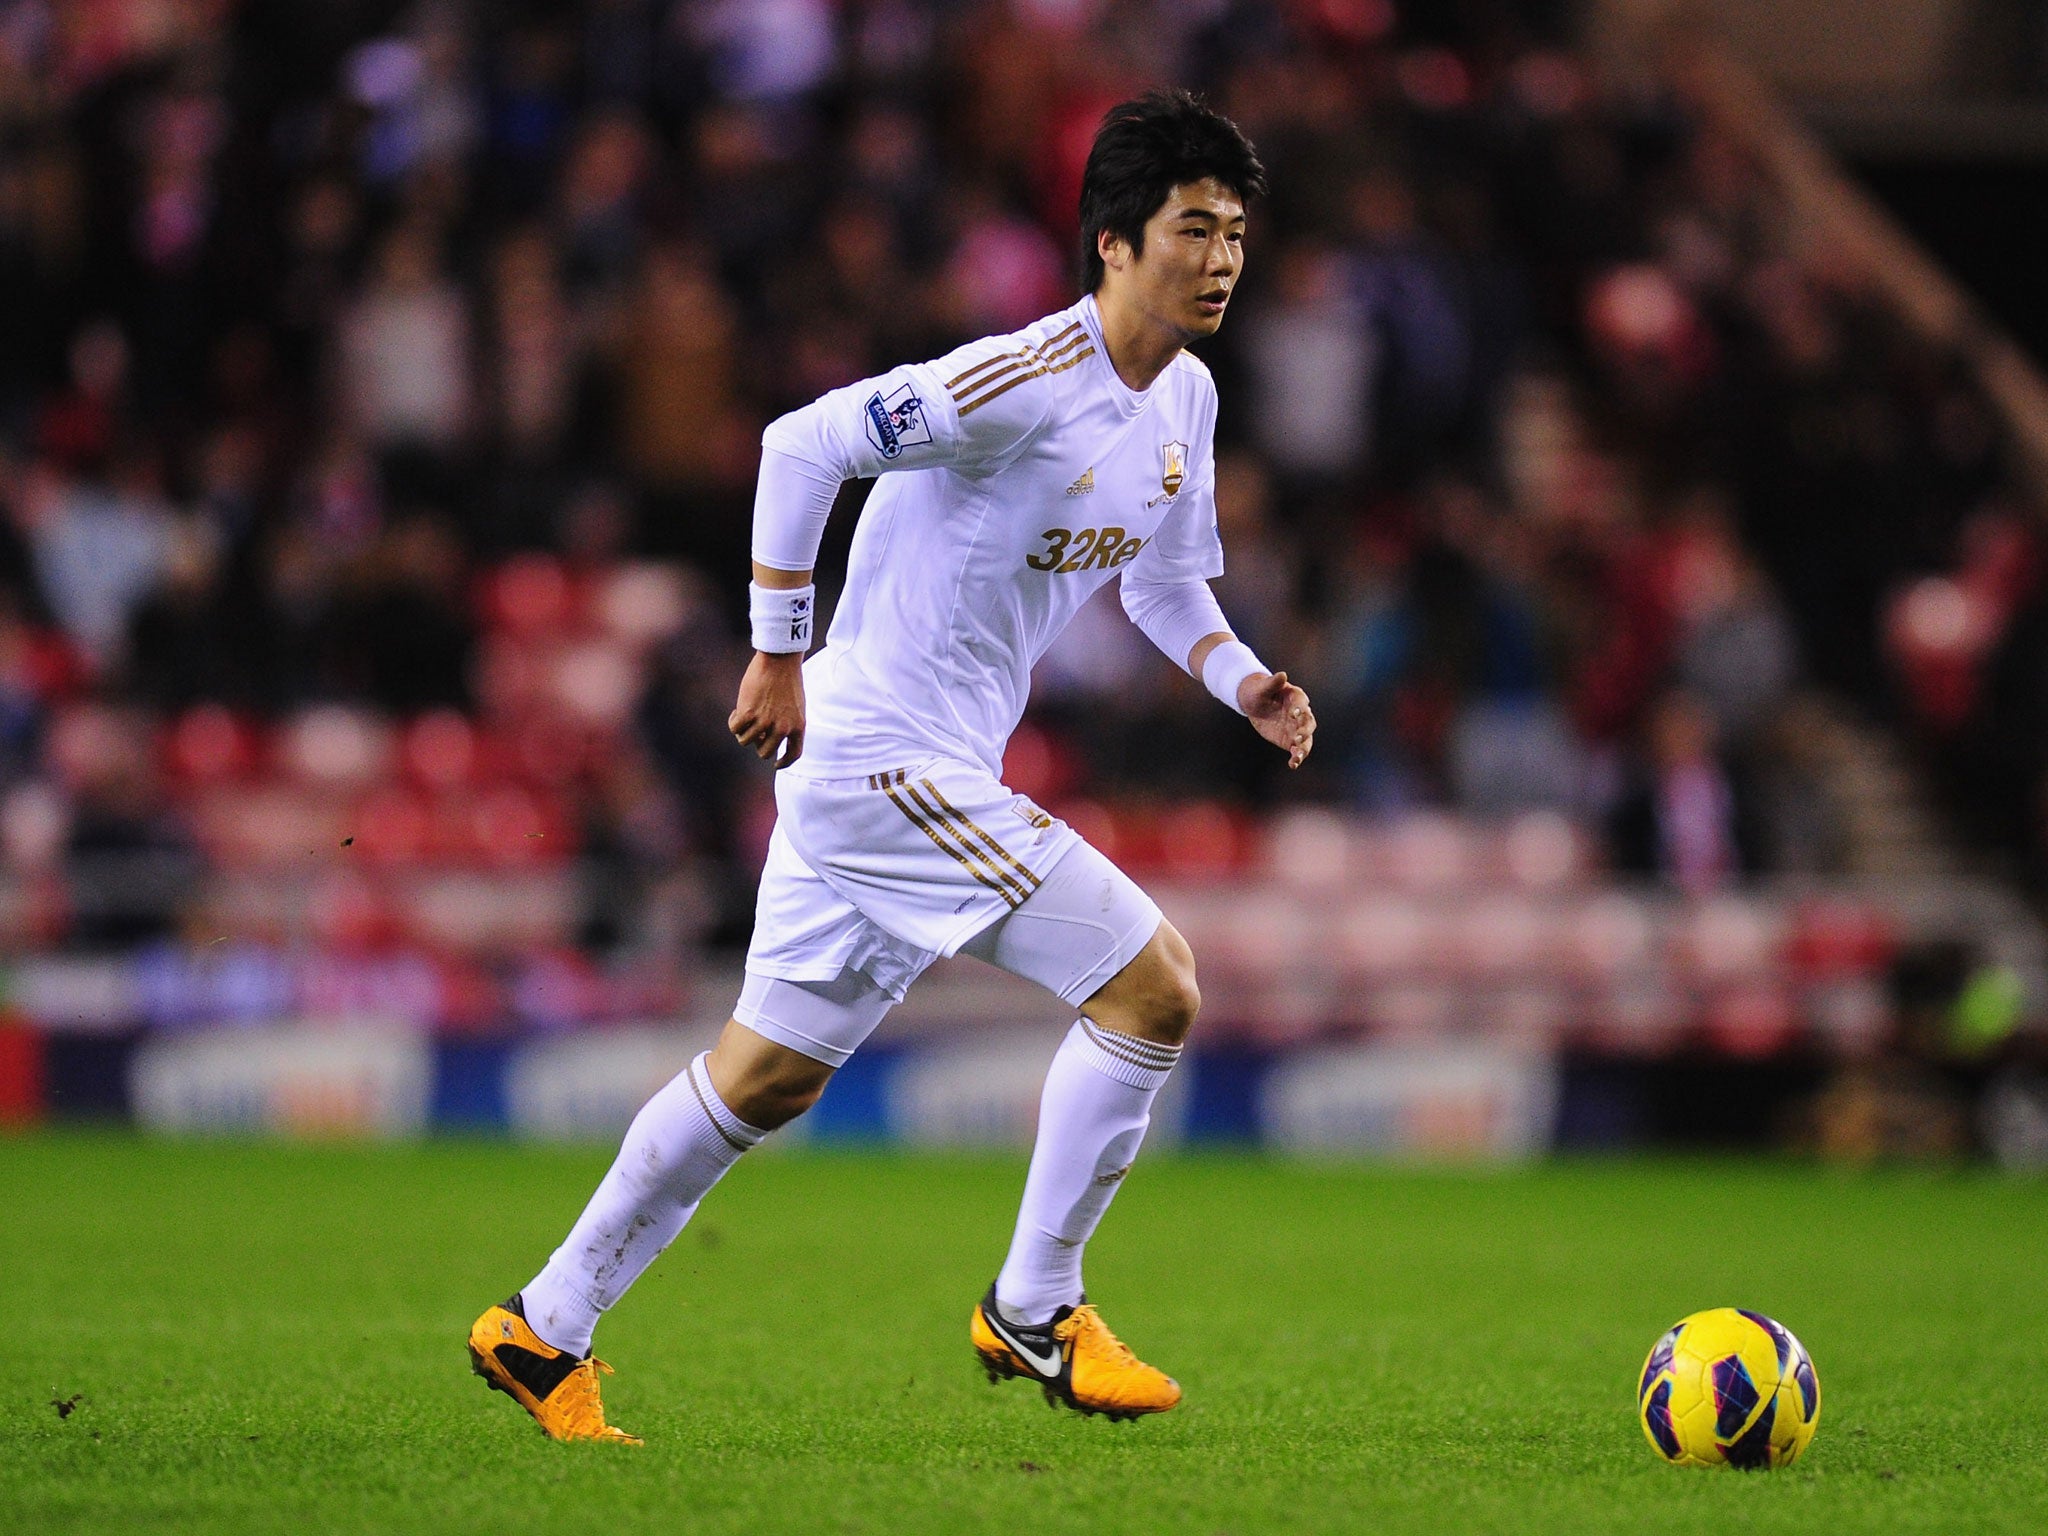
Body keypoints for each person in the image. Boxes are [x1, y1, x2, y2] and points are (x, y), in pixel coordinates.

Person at [468, 90, 1314, 1443]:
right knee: (1155, 985)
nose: (1220, 257)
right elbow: (800, 444)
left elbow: (1169, 581)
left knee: (766, 1079)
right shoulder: (1017, 383)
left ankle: (541, 1325)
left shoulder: (1188, 401)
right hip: (878, 760)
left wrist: (1242, 680)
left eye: (1234, 233)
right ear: (1112, 241)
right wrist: (774, 649)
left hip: (899, 773)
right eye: (1192, 228)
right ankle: (1036, 1306)